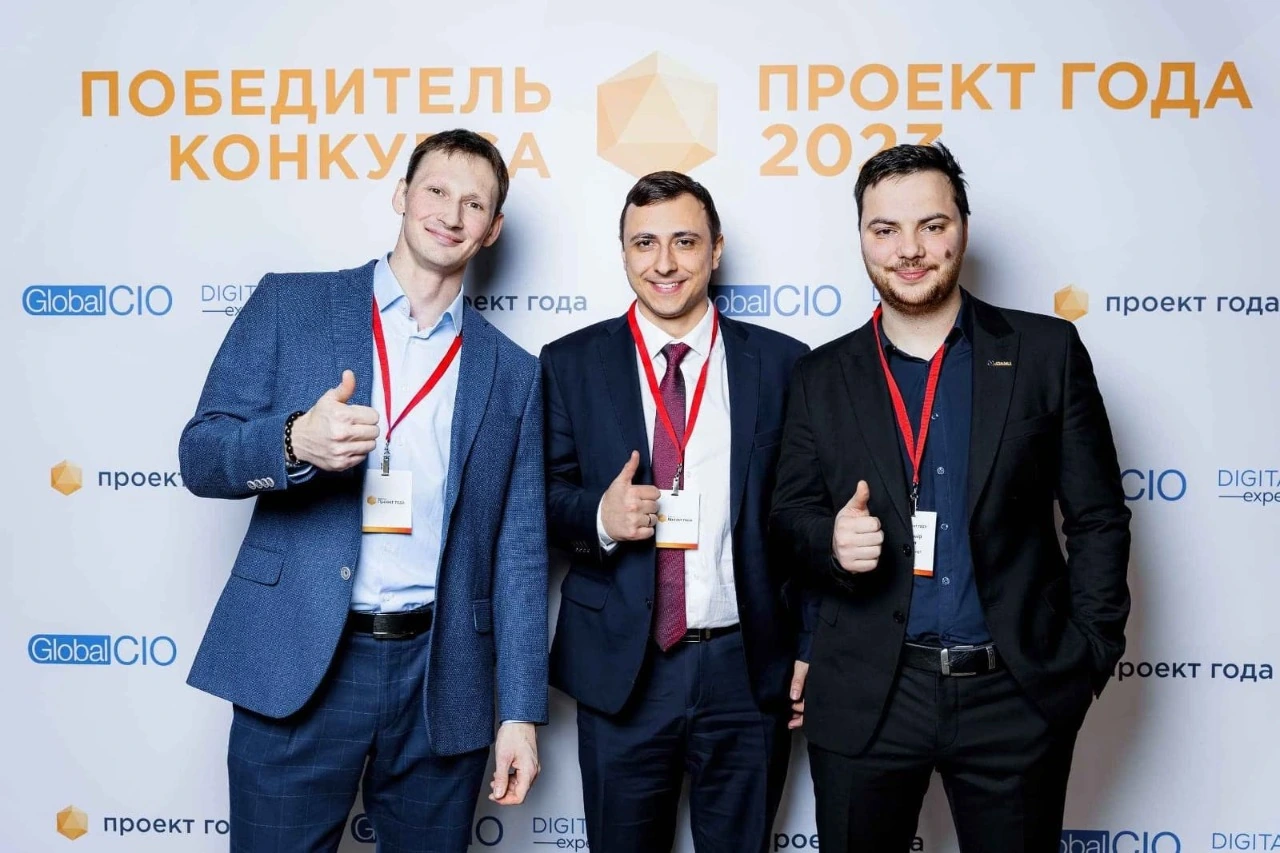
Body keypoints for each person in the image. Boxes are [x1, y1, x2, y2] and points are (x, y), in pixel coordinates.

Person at [178, 129, 547, 853]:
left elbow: (521, 554)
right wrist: (293, 441)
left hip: (441, 676)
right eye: (436, 190)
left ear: (493, 228)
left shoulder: (513, 371)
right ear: (402, 195)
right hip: (300, 659)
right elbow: (200, 455)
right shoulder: (291, 305)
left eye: (474, 203)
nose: (451, 214)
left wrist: (520, 712)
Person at [771, 142, 1131, 853]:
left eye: (931, 225)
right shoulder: (820, 374)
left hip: (1014, 694)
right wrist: (830, 542)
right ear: (862, 237)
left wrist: (1087, 655)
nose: (909, 249)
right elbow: (787, 519)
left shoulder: (1045, 352)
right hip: (868, 693)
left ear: (962, 227)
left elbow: (1097, 518)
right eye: (885, 229)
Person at [541, 171, 810, 852]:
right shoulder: (570, 362)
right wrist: (599, 517)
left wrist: (810, 646)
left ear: (716, 249)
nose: (664, 263)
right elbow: (539, 499)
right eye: (645, 243)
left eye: (684, 241)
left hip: (747, 667)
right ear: (623, 252)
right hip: (624, 670)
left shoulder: (783, 363)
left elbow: (804, 516)